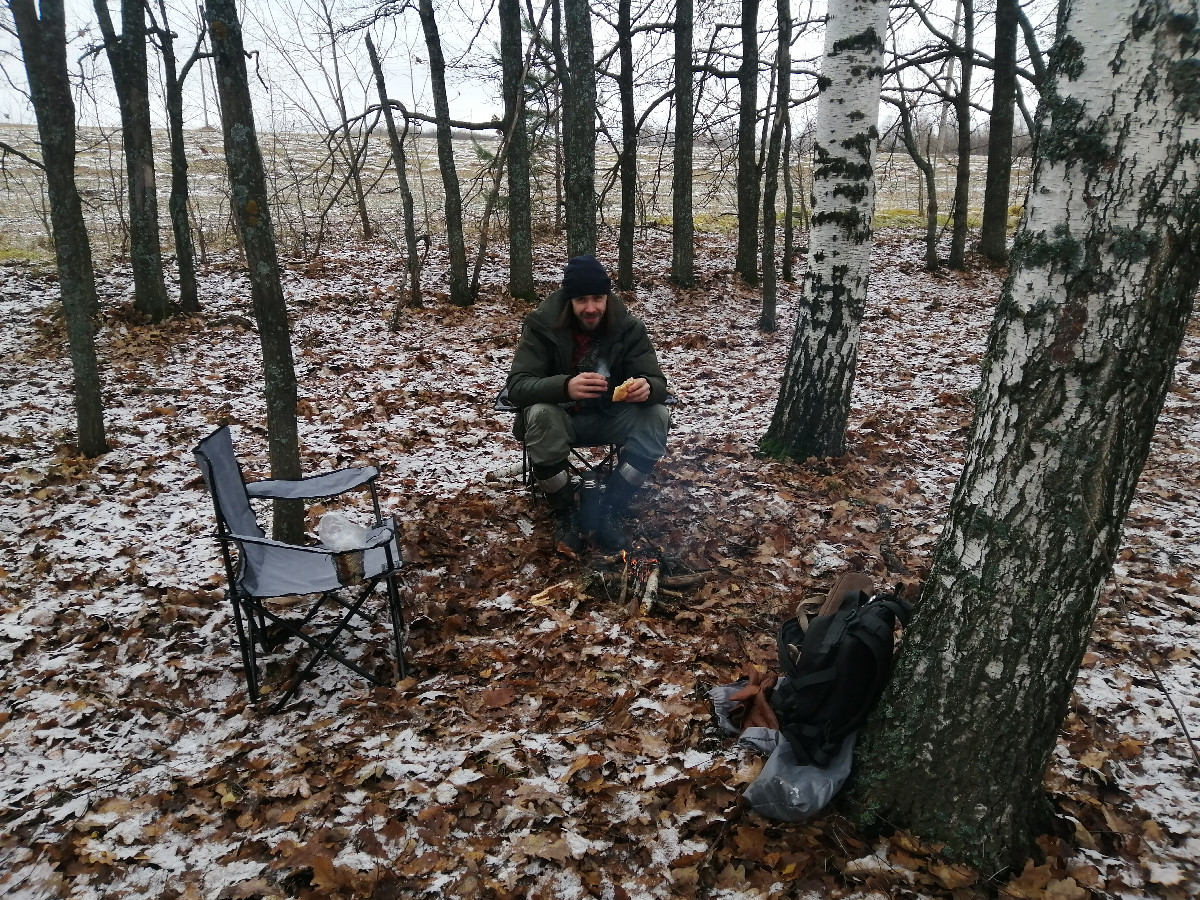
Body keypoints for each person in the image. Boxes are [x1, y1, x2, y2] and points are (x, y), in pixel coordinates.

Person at [506, 254, 670, 557]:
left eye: (598, 298)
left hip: (611, 416)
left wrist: (648, 388)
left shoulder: (627, 327)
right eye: (582, 299)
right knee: (541, 413)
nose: (591, 308)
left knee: (658, 414)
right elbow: (517, 387)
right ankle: (565, 511)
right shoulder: (542, 325)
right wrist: (564, 386)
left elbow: (657, 382)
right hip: (561, 418)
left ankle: (611, 509)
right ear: (570, 300)